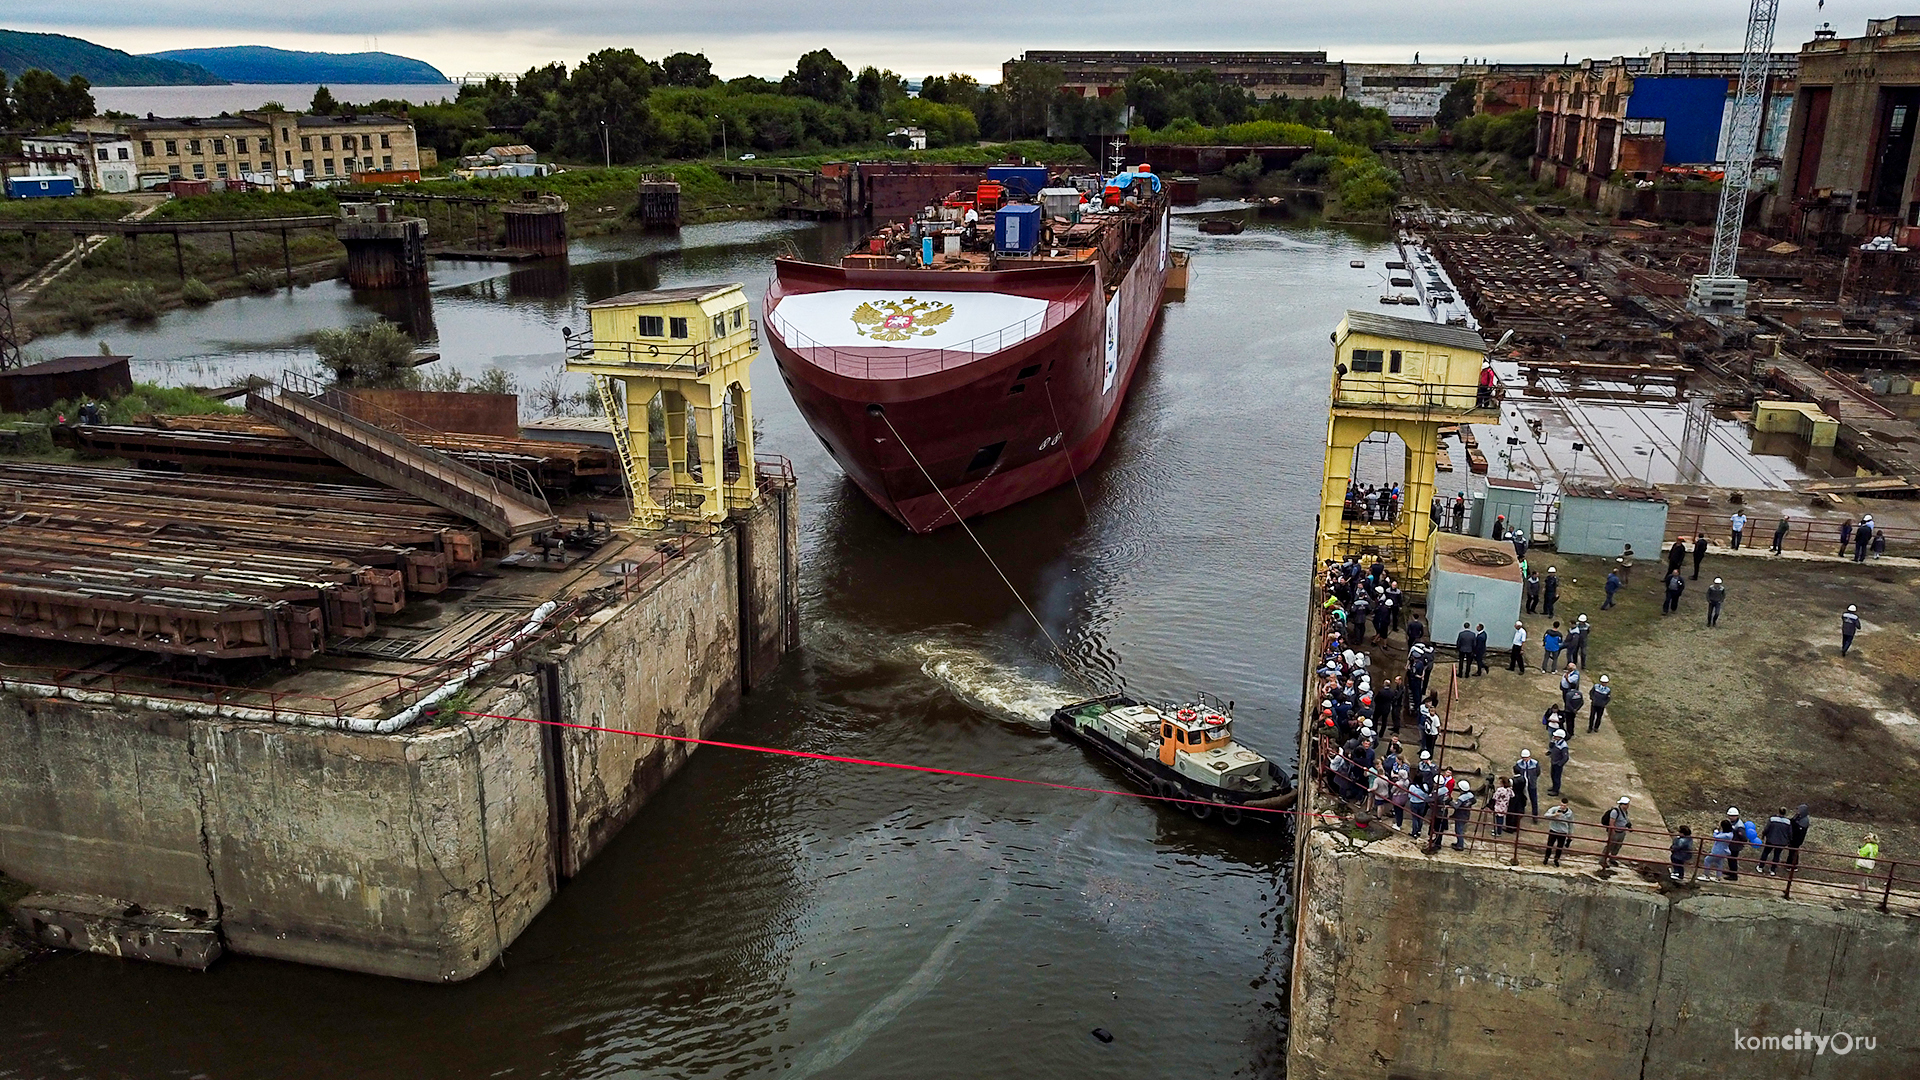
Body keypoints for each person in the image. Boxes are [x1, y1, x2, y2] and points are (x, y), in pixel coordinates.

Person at [1600, 796, 1632, 869]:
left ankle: (1612, 858)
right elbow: (1612, 822)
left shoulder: (1624, 811)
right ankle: (1603, 860)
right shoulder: (1615, 812)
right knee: (1610, 846)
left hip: (1622, 831)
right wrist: (1612, 832)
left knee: (1617, 846)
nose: (1627, 806)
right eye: (1626, 804)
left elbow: (1625, 820)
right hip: (1616, 832)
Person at [1760, 808, 1794, 875]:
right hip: (1781, 842)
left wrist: (1763, 835)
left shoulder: (1772, 819)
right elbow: (1790, 833)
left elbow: (1767, 829)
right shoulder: (1788, 822)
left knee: (1765, 853)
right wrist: (1789, 840)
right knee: (1777, 855)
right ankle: (1773, 870)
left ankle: (1761, 867)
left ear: (1778, 811)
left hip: (1771, 840)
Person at [1544, 797, 1574, 866]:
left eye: (1564, 806)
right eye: (1561, 805)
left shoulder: (1570, 813)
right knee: (1549, 845)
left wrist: (1570, 835)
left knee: (1559, 847)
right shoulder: (1554, 809)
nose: (1562, 807)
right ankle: (1546, 858)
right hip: (1553, 829)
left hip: (1562, 832)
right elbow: (1546, 815)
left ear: (1567, 806)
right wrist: (1554, 815)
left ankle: (1556, 859)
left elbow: (1571, 824)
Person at [1514, 748, 1542, 819]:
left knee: (1534, 799)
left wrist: (1533, 779)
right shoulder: (1519, 763)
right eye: (1523, 758)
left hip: (1531, 784)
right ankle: (1521, 812)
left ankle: (1535, 815)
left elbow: (1538, 772)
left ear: (1529, 757)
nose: (1525, 759)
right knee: (1521, 798)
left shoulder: (1535, 763)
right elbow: (1516, 771)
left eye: (1526, 758)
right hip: (1522, 783)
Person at [1450, 784, 1477, 850]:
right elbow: (1474, 801)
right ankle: (1459, 843)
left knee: (1459, 830)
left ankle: (1460, 845)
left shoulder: (1461, 798)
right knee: (1460, 829)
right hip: (1466, 814)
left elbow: (1456, 806)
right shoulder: (1470, 795)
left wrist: (1450, 802)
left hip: (1460, 815)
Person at [1547, 730, 1570, 795]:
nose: (1554, 736)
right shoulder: (1556, 742)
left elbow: (1565, 757)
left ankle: (1556, 791)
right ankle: (1554, 787)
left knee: (1557, 777)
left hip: (1557, 764)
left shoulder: (1563, 746)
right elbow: (1551, 747)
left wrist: (1560, 764)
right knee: (1553, 775)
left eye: (1555, 736)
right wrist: (1552, 741)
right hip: (1554, 762)